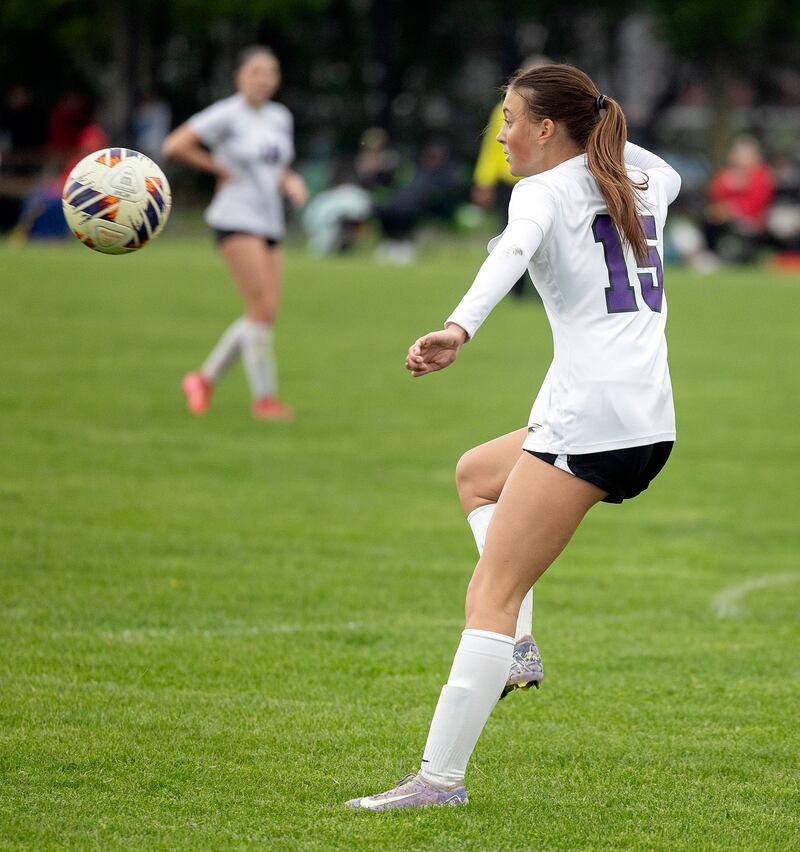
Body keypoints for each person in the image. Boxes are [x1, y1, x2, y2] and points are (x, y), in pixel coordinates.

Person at [346, 63, 680, 811]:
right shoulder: (646, 180)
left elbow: (508, 254)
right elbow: (643, 162)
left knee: (489, 592)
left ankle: (438, 781)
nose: (500, 132)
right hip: (648, 422)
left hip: (588, 420)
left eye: (509, 116)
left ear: (546, 129)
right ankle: (519, 647)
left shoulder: (542, 191)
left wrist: (458, 327)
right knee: (476, 473)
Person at [162, 46, 308, 421]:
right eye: (255, 72)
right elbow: (175, 145)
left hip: (270, 220)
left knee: (266, 312)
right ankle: (265, 401)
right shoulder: (226, 114)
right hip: (236, 217)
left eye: (270, 73)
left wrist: (291, 181)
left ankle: (203, 379)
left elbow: (277, 166)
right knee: (259, 309)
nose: (263, 79)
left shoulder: (279, 116)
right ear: (239, 76)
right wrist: (217, 168)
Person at [471, 55, 550, 297]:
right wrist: (484, 181)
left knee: (548, 238)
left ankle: (545, 289)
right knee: (511, 239)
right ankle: (515, 289)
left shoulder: (555, 112)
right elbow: (493, 148)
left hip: (545, 182)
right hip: (512, 182)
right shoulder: (506, 109)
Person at [703, 136, 774, 263]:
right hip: (726, 216)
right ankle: (710, 254)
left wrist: (731, 209)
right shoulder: (728, 173)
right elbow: (715, 192)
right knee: (710, 216)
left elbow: (756, 203)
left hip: (753, 220)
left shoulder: (761, 175)